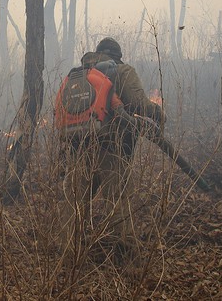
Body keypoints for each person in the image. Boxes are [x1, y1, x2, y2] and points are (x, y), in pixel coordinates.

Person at [59, 37, 164, 265]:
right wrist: (159, 115)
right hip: (112, 147)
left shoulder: (80, 74)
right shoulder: (122, 70)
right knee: (117, 200)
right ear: (117, 55)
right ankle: (125, 255)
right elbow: (138, 103)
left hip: (80, 146)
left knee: (75, 199)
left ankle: (67, 251)